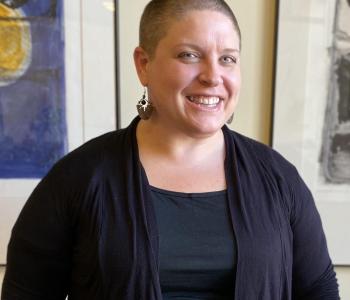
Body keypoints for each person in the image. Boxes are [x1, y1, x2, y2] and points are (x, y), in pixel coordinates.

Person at [1, 0, 340, 299]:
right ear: (143, 64)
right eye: (189, 55)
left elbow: (318, 290)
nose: (212, 75)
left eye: (227, 59)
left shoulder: (279, 179)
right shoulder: (78, 178)